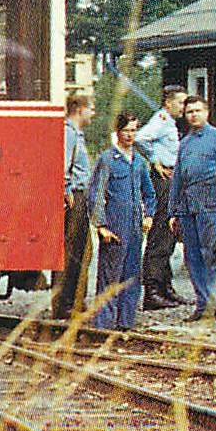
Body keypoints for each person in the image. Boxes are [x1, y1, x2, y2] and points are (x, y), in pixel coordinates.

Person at [168, 95, 216, 322]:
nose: (193, 115)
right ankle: (202, 303)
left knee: (213, 255)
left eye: (198, 110)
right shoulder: (185, 143)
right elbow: (177, 177)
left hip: (211, 206)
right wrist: (173, 211)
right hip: (188, 208)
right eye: (189, 112)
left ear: (207, 112)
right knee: (193, 257)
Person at [91, 110, 156, 331]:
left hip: (135, 227)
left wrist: (149, 215)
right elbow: (97, 194)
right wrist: (100, 225)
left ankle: (126, 322)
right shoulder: (107, 160)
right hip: (114, 226)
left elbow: (149, 193)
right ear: (117, 132)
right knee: (110, 276)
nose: (130, 135)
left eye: (134, 130)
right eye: (126, 130)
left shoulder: (139, 162)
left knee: (131, 275)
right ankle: (103, 324)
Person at [136, 84, 190, 310]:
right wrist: (154, 159)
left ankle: (166, 287)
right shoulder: (161, 119)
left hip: (172, 178)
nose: (184, 107)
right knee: (160, 234)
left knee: (169, 234)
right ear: (169, 103)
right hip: (163, 180)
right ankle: (153, 291)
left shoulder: (171, 123)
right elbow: (140, 138)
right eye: (181, 102)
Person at [54, 93, 95, 320]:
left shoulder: (76, 133)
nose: (93, 113)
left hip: (79, 195)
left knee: (82, 250)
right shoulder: (68, 133)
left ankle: (74, 300)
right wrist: (66, 190)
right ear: (80, 109)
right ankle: (65, 303)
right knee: (73, 251)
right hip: (73, 197)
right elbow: (62, 163)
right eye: (92, 108)